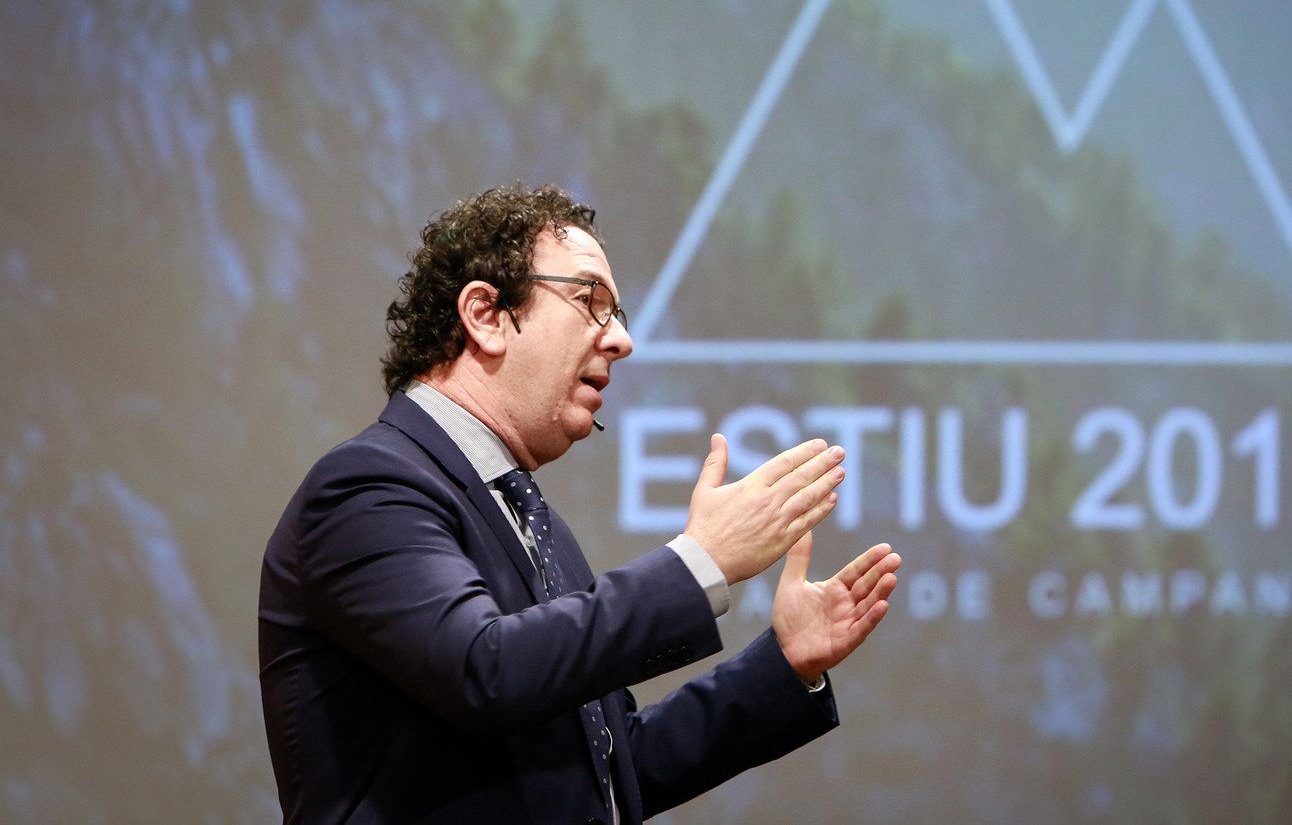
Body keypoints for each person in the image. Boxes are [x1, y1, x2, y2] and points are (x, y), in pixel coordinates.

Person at [258, 183, 900, 824]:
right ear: (486, 314)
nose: (621, 339)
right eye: (590, 301)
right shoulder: (368, 487)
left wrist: (785, 664)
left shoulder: (536, 523)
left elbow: (613, 769)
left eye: (617, 313)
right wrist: (700, 562)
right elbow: (485, 671)